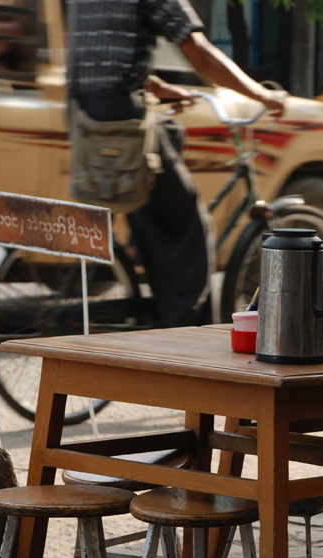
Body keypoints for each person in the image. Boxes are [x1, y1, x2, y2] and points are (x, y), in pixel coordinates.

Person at [67, 0, 286, 328]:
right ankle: (182, 328)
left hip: (87, 113)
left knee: (170, 133)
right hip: (119, 122)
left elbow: (103, 56)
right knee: (192, 225)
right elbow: (198, 51)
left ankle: (160, 293)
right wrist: (261, 95)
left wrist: (158, 87)